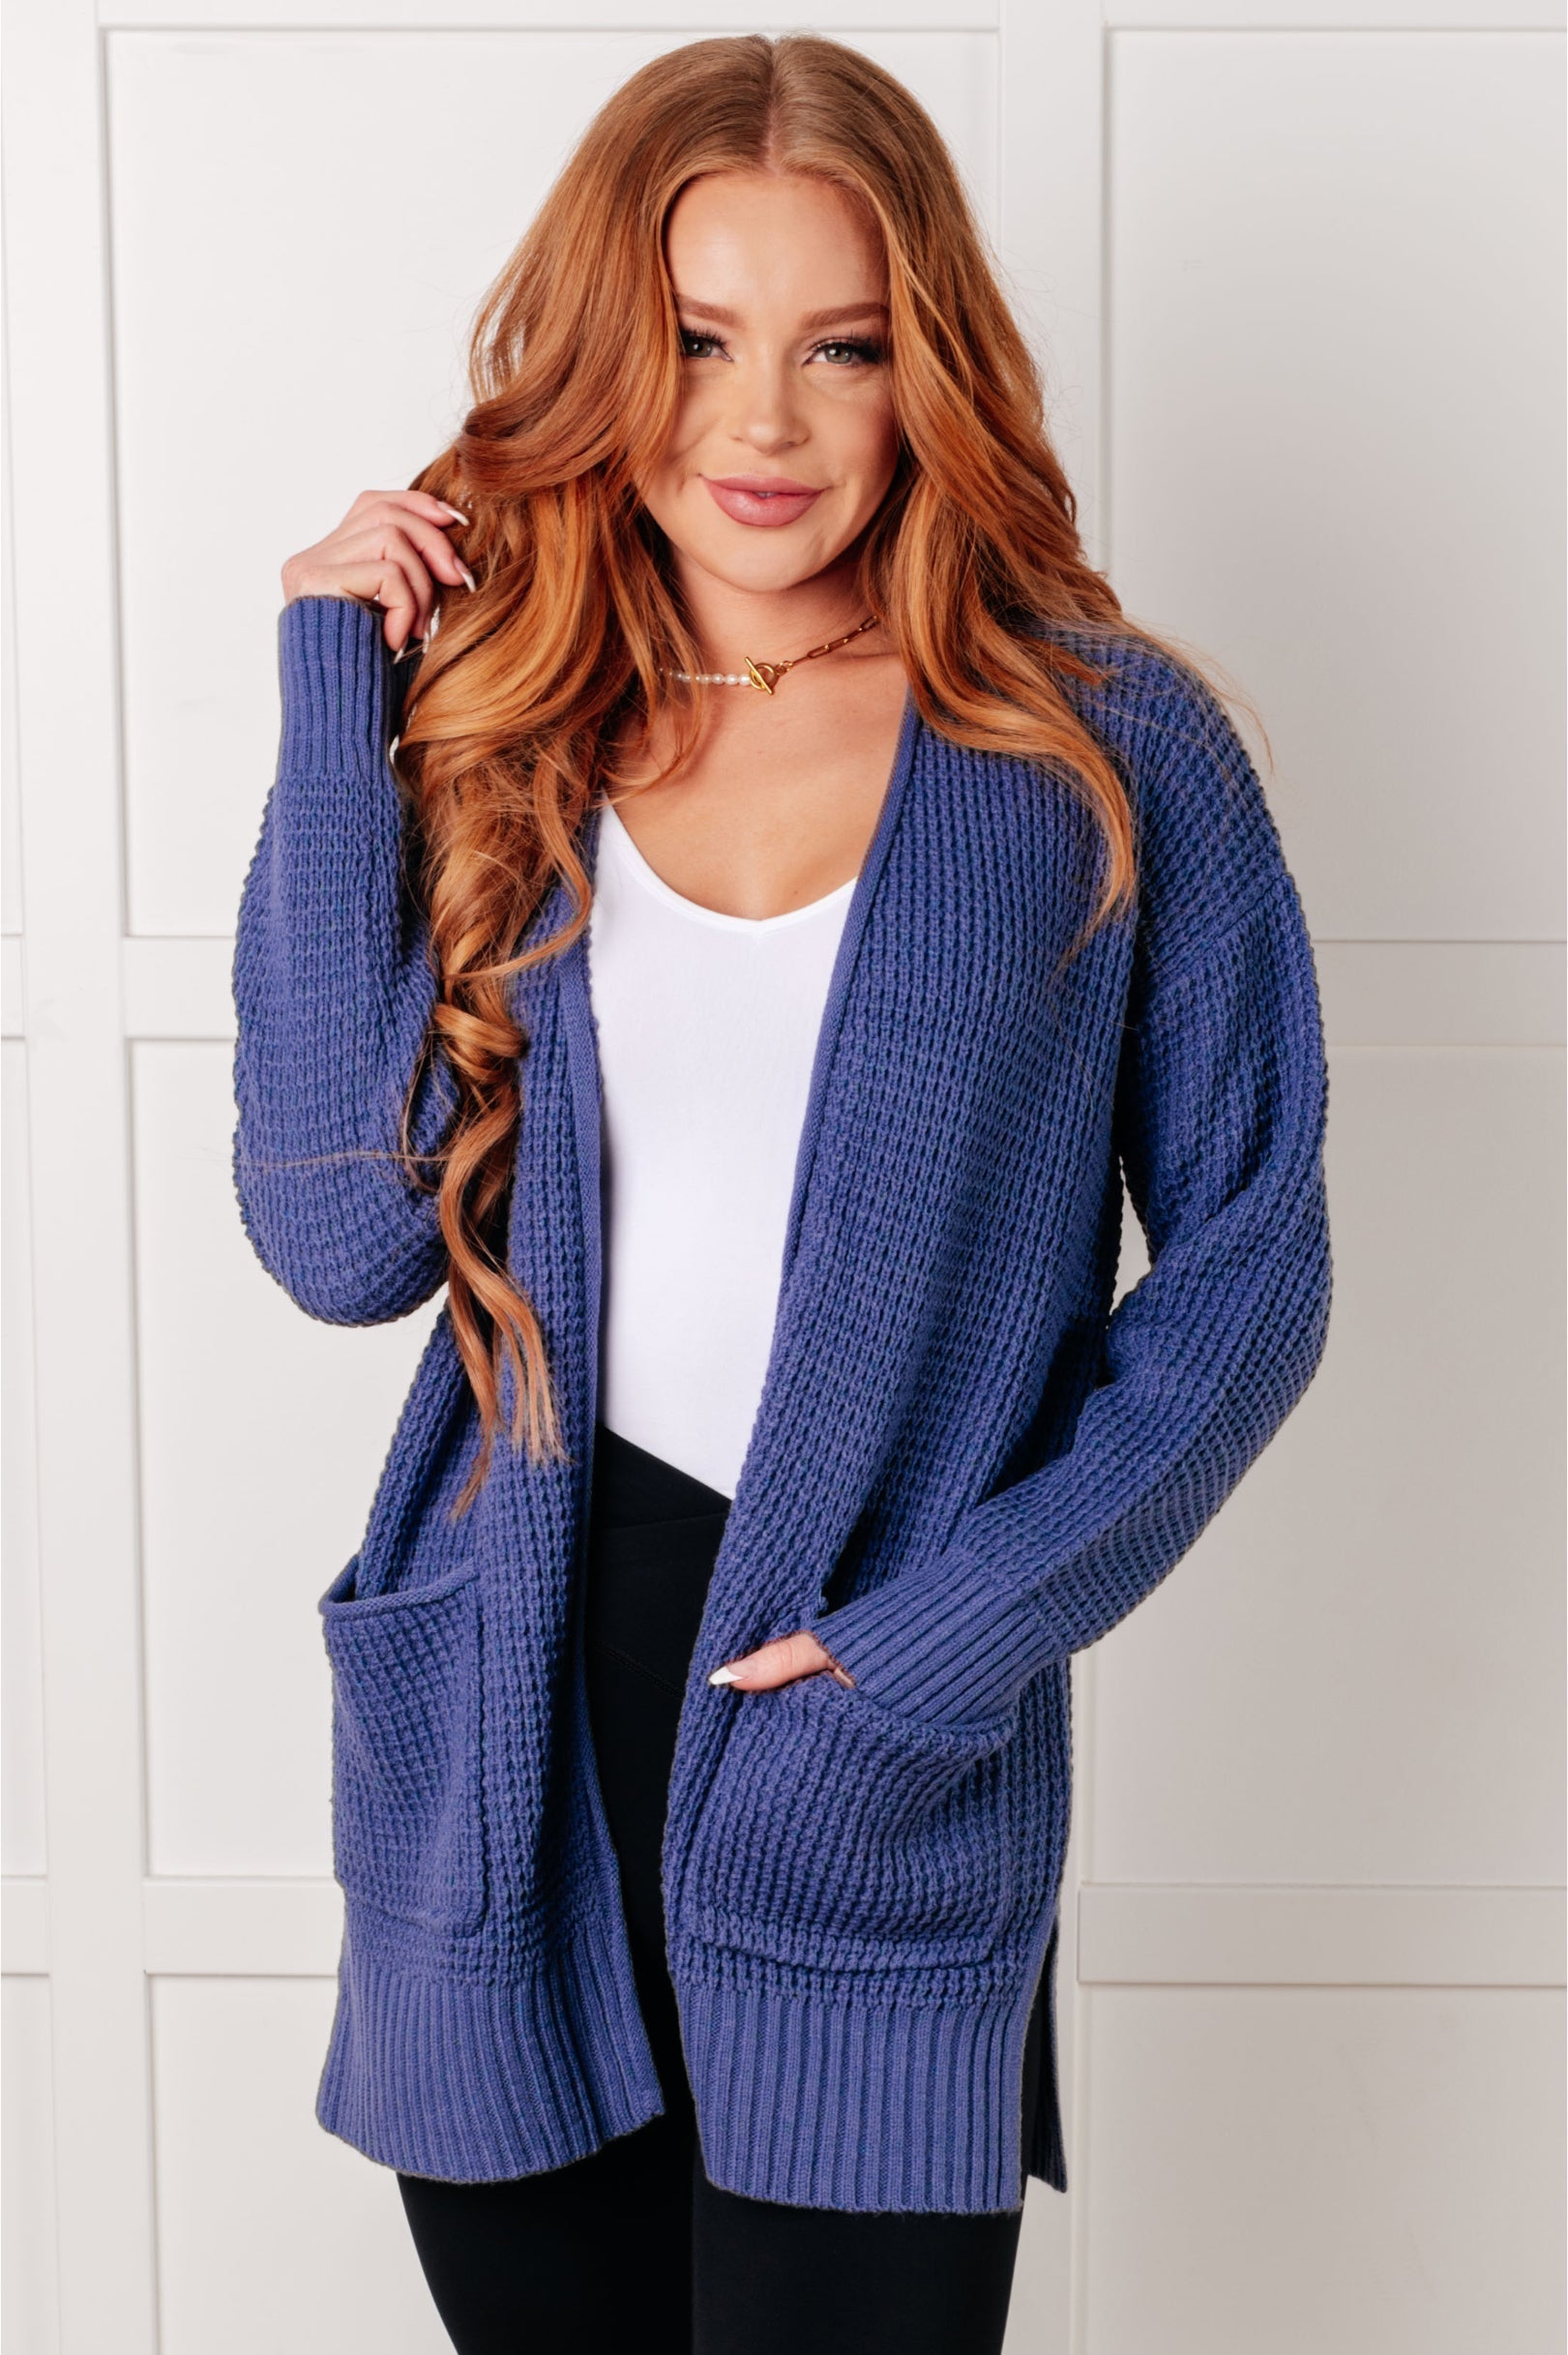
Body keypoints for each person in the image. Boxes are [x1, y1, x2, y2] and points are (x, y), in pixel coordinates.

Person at [233, 30, 1333, 2355]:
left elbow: (1248, 1268)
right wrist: (338, 691)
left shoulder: (1101, 742)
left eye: (840, 346)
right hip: (503, 1742)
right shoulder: (498, 720)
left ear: (928, 367)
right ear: (604, 356)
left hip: (865, 1735)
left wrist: (950, 1636)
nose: (763, 421)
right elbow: (338, 1238)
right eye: (697, 338)